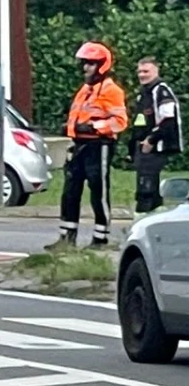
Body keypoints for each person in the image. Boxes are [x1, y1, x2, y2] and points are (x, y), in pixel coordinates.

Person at [55, 42, 128, 249]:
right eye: (85, 63)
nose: (85, 67)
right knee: (70, 191)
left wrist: (95, 126)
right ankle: (66, 238)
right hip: (79, 146)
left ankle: (100, 238)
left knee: (99, 192)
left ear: (102, 66)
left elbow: (120, 121)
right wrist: (70, 128)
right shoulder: (85, 90)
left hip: (99, 146)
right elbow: (77, 115)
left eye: (91, 64)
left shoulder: (112, 90)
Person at [132, 57, 180, 214]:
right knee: (146, 186)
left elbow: (168, 120)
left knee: (147, 188)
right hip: (143, 148)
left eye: (146, 71)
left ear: (156, 72)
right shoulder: (143, 93)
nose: (141, 75)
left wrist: (151, 140)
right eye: (139, 71)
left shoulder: (161, 90)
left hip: (156, 147)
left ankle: (145, 222)